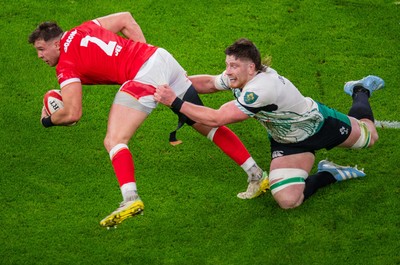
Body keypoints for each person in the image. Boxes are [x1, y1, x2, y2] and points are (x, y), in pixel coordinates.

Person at [28, 13, 269, 228]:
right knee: (202, 123)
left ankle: (130, 199)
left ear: (57, 43)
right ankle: (257, 175)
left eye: (41, 49)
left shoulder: (66, 64)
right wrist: (141, 56)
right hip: (159, 57)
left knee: (114, 140)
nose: (40, 55)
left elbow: (73, 113)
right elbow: (125, 18)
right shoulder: (84, 28)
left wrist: (48, 120)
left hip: (145, 73)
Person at [154, 38, 385, 209]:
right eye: (227, 65)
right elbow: (210, 83)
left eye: (233, 66)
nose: (228, 71)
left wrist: (173, 101)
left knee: (369, 137)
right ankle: (330, 173)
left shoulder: (261, 89)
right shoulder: (240, 76)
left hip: (318, 125)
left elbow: (218, 118)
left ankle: (360, 90)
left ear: (251, 67)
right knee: (288, 200)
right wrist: (176, 82)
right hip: (287, 141)